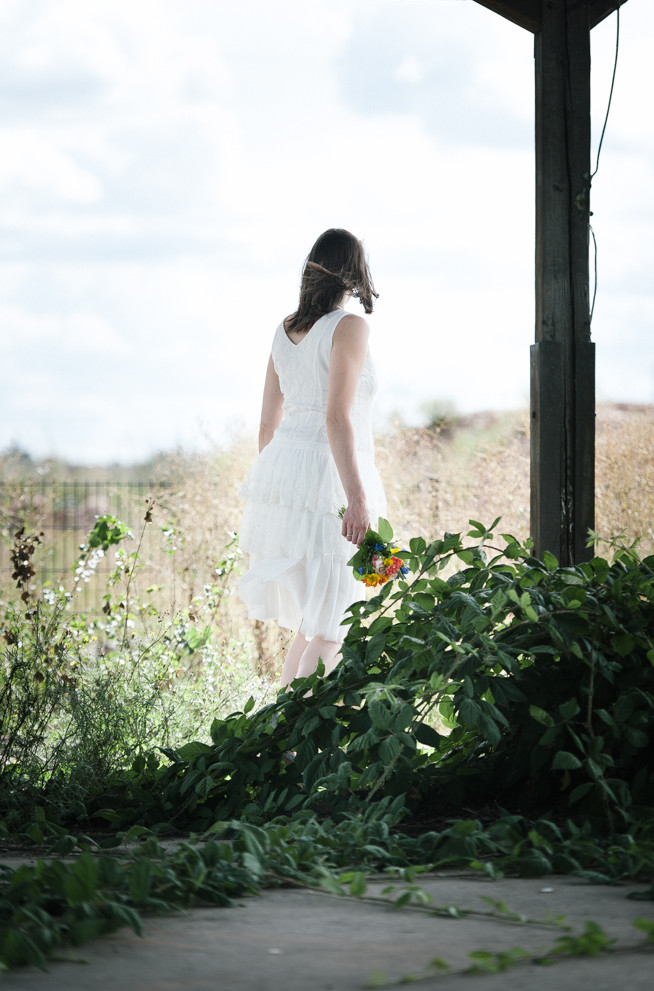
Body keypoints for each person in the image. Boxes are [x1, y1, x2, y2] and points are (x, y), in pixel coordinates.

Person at [238, 229, 386, 687]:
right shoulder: (350, 326)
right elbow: (337, 417)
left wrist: (283, 495)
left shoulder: (284, 331)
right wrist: (357, 500)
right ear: (355, 272)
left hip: (287, 480)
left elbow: (267, 425)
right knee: (336, 619)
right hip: (333, 480)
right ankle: (290, 748)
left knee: (317, 619)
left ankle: (276, 743)